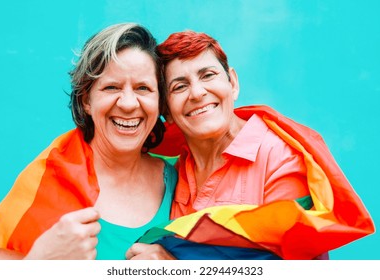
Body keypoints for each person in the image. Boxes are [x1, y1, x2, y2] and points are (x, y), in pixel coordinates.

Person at [126, 30, 374, 260]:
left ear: (232, 83)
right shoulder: (171, 171)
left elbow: (287, 266)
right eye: (179, 86)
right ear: (166, 110)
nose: (197, 93)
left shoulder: (281, 159)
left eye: (208, 75)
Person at [0, 23, 177, 260]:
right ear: (86, 100)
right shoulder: (52, 175)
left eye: (143, 88)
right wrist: (36, 265)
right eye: (111, 87)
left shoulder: (181, 178)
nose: (128, 103)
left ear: (160, 101)